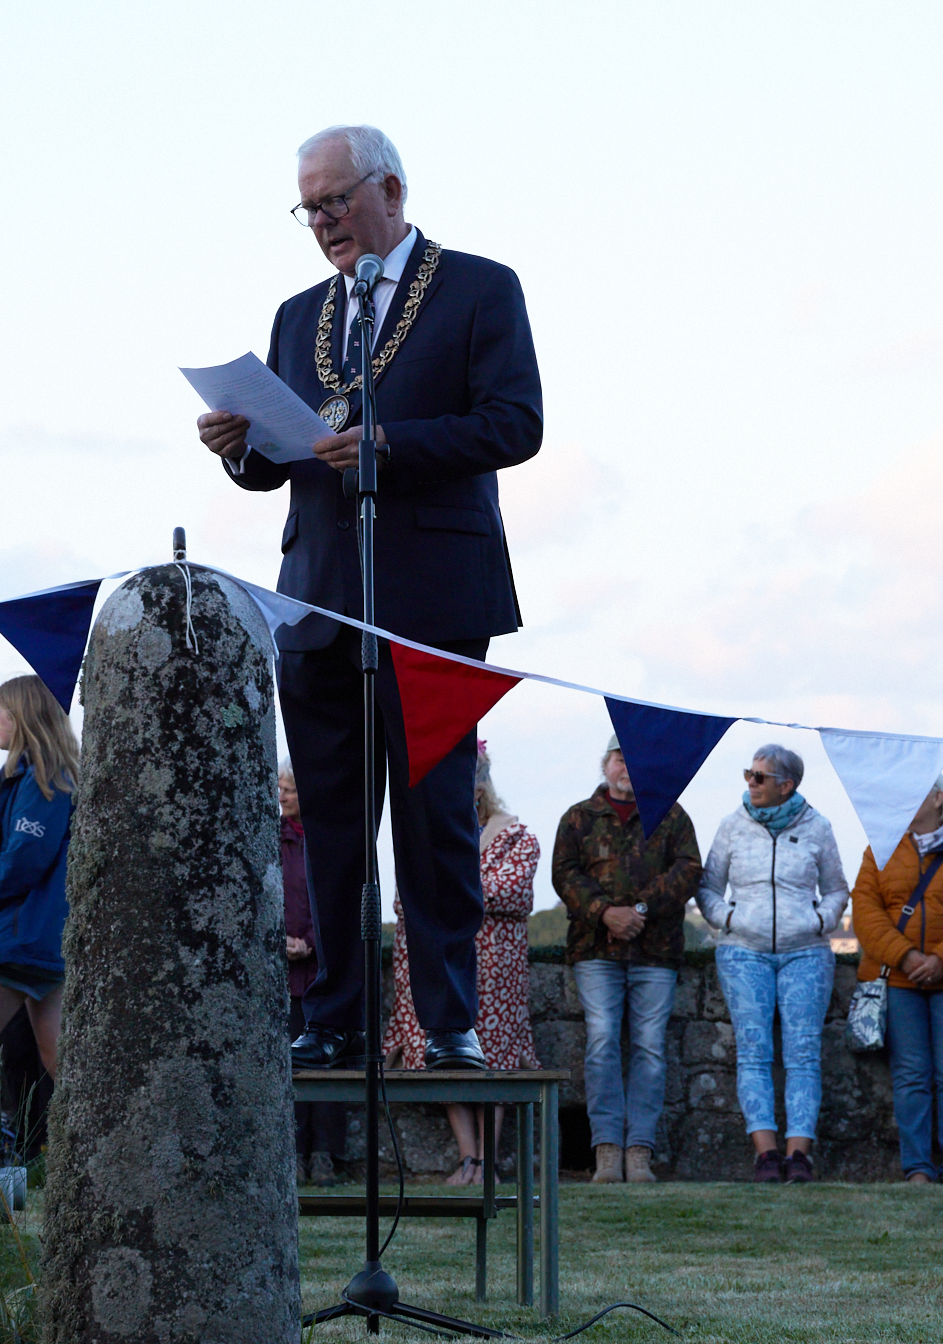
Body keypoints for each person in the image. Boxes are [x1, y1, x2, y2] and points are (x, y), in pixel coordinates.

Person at [199, 124, 542, 1075]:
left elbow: (516, 424)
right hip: (314, 599)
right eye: (308, 208)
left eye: (335, 202)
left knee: (433, 817)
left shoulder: (480, 287)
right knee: (334, 825)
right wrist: (238, 444)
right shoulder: (296, 312)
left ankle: (447, 1022)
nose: (321, 223)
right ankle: (334, 1016)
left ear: (389, 188)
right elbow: (279, 464)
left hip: (434, 597)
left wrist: (394, 448)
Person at [697, 745, 851, 1184]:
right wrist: (728, 919)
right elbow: (707, 888)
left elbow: (838, 889)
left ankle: (799, 1154)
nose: (751, 782)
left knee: (804, 1054)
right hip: (743, 950)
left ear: (787, 785)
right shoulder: (731, 826)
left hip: (806, 951)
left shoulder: (818, 827)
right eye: (749, 774)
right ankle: (765, 1155)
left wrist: (819, 920)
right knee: (754, 1052)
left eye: (760, 777)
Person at [391, 743, 542, 1184]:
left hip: (496, 971)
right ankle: (468, 1158)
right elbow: (405, 900)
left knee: (491, 1057)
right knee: (445, 1058)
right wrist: (462, 892)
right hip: (435, 965)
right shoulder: (425, 836)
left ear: (477, 789)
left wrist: (447, 894)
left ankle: (489, 1162)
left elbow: (512, 892)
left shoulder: (519, 837)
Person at [554, 737, 701, 1185]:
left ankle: (640, 1149)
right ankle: (606, 1150)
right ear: (606, 764)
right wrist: (605, 913)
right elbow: (564, 873)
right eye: (620, 758)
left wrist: (639, 910)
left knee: (651, 1049)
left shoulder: (673, 816)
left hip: (655, 951)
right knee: (601, 1043)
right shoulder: (578, 817)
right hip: (595, 950)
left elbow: (689, 869)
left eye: (635, 760)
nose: (626, 767)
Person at [850, 776, 943, 1186]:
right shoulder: (878, 852)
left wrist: (942, 960)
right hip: (898, 980)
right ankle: (916, 1167)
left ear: (937, 799)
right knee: (911, 1074)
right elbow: (865, 912)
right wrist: (907, 956)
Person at [0, 675, 75, 1097]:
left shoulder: (43, 779)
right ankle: (103, 1154)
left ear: (19, 716)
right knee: (58, 1053)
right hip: (41, 934)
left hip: (24, 933)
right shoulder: (40, 777)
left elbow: (21, 861)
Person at [281, 763, 345, 1185]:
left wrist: (310, 943)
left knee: (330, 1068)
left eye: (289, 790)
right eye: (280, 790)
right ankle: (292, 1153)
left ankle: (325, 1156)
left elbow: (338, 900)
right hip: (283, 976)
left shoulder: (330, 838)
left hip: (323, 973)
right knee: (290, 1067)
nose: (282, 797)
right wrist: (282, 940)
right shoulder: (271, 838)